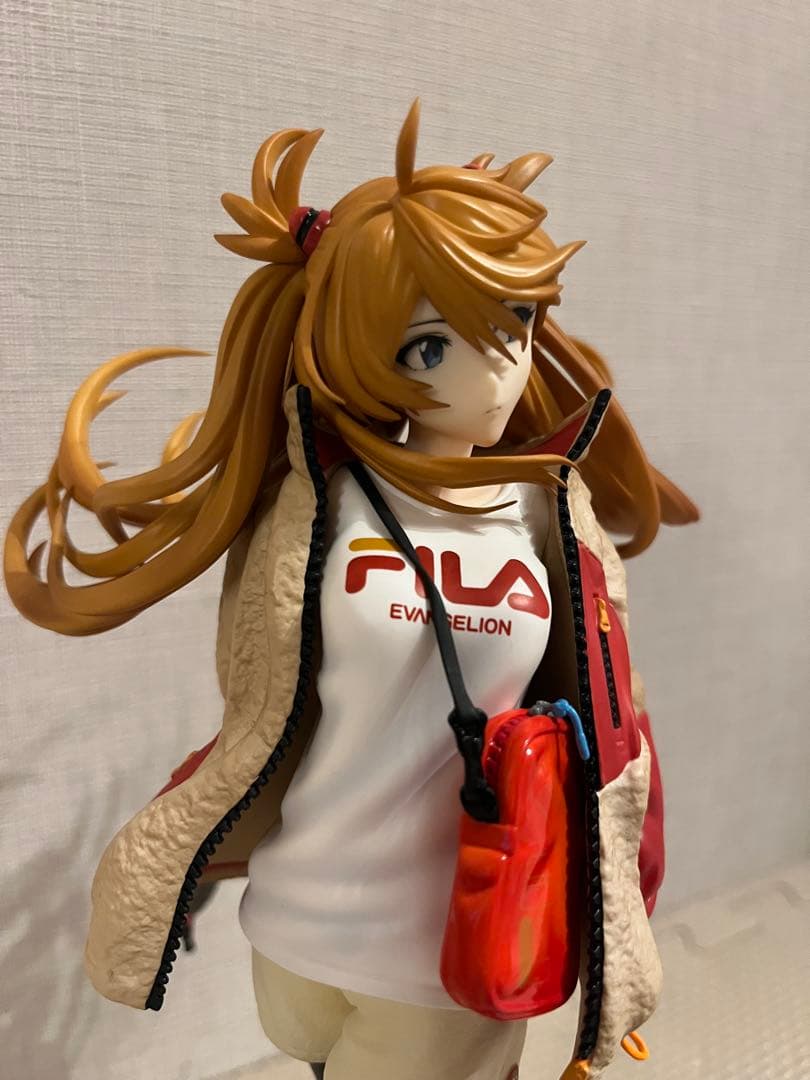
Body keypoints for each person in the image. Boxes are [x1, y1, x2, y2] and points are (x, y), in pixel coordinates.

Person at [4, 99, 698, 1079]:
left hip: (453, 952)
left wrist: (622, 895)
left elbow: (615, 733)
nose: (496, 369)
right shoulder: (315, 503)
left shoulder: (549, 520)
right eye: (431, 345)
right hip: (292, 929)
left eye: (514, 321)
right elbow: (260, 705)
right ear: (363, 351)